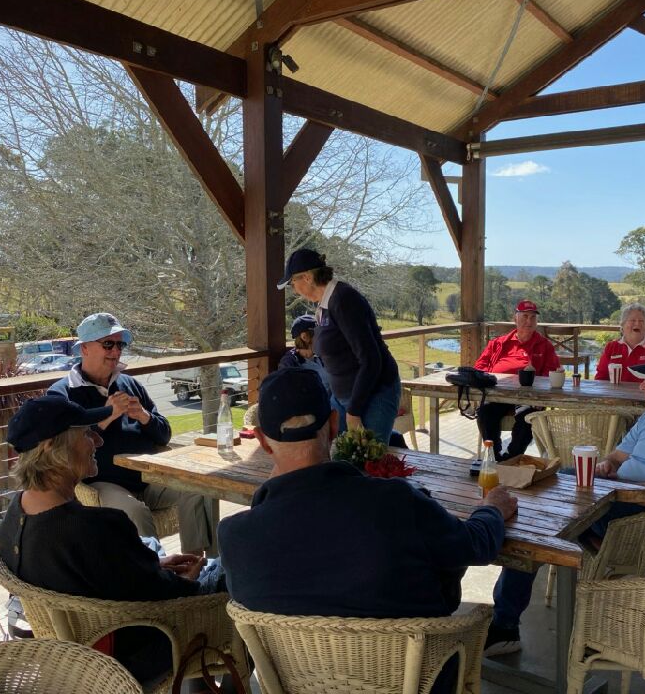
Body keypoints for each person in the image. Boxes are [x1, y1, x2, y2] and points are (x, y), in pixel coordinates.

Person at [484, 347, 645, 656]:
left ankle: (504, 623)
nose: (641, 386)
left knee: (540, 520)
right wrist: (606, 467)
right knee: (539, 493)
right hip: (612, 498)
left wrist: (612, 489)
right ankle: (505, 619)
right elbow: (617, 458)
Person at [218, 367, 516, 619]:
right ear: (334, 425)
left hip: (295, 680)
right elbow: (474, 546)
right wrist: (492, 509)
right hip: (410, 678)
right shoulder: (396, 502)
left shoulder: (236, 537)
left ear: (263, 441)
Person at [0, 395, 224, 687]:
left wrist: (151, 565)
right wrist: (187, 582)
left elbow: (110, 572)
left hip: (79, 652)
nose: (98, 442)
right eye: (87, 433)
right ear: (52, 447)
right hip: (138, 649)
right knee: (234, 572)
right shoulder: (96, 528)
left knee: (154, 549)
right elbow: (166, 596)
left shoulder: (15, 517)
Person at [47, 312, 213, 554]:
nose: (116, 351)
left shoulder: (129, 383)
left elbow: (164, 435)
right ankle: (153, 578)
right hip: (104, 482)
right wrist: (107, 415)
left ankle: (197, 566)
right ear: (84, 348)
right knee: (135, 512)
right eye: (108, 344)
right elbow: (64, 450)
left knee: (200, 489)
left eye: (120, 344)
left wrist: (144, 417)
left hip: (148, 476)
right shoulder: (63, 394)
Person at [277, 249, 401, 444]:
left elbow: (371, 359)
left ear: (308, 277)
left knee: (368, 464)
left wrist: (354, 411)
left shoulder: (343, 300)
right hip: (344, 397)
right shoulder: (324, 304)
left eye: (293, 282)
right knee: (337, 461)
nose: (294, 289)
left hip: (372, 396)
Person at [474, 300, 559, 462]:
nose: (529, 321)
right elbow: (480, 367)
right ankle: (493, 454)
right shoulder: (499, 343)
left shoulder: (544, 345)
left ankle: (511, 458)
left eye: (533, 317)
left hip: (528, 397)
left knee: (528, 417)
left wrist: (541, 397)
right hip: (499, 395)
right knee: (485, 412)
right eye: (525, 316)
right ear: (515, 319)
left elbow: (552, 373)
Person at [594, 303, 645, 383]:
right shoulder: (611, 347)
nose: (637, 323)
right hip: (616, 394)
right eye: (633, 320)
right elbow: (601, 378)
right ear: (623, 325)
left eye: (641, 321)